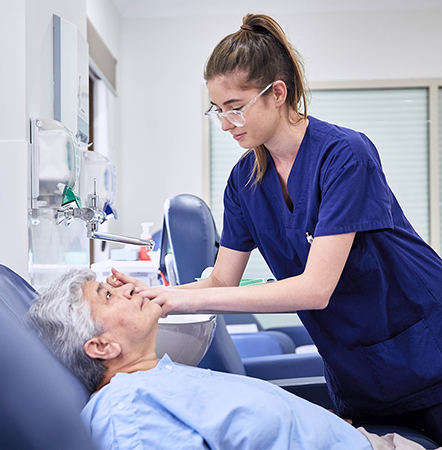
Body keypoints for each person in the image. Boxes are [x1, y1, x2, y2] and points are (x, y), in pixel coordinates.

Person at [108, 13, 442, 444]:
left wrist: (182, 302)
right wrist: (157, 297)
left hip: (424, 347)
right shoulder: (244, 181)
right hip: (357, 369)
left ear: (277, 93)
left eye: (236, 108)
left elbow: (314, 289)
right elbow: (221, 280)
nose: (227, 123)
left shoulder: (344, 155)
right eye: (218, 110)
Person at [26, 268, 378, 450]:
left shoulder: (153, 378)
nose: (127, 287)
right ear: (102, 347)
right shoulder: (129, 414)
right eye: (108, 294)